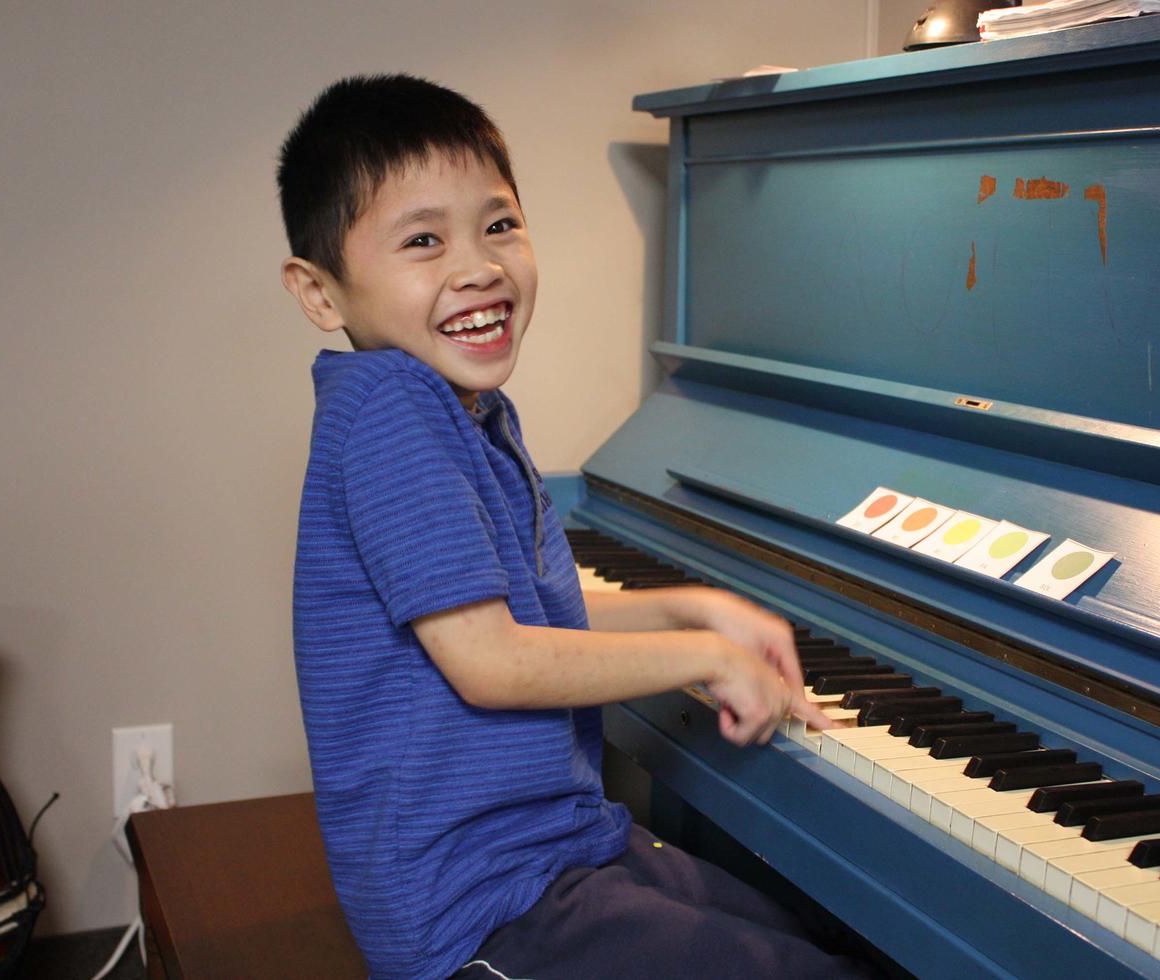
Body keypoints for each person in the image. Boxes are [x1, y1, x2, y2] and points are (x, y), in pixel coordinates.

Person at [277, 74, 867, 980]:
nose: (478, 266)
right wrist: (705, 659)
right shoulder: (391, 410)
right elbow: (494, 660)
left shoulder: (467, 410)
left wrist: (691, 610)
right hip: (477, 908)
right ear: (321, 294)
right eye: (424, 240)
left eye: (500, 224)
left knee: (818, 941)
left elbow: (535, 614)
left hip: (559, 847)